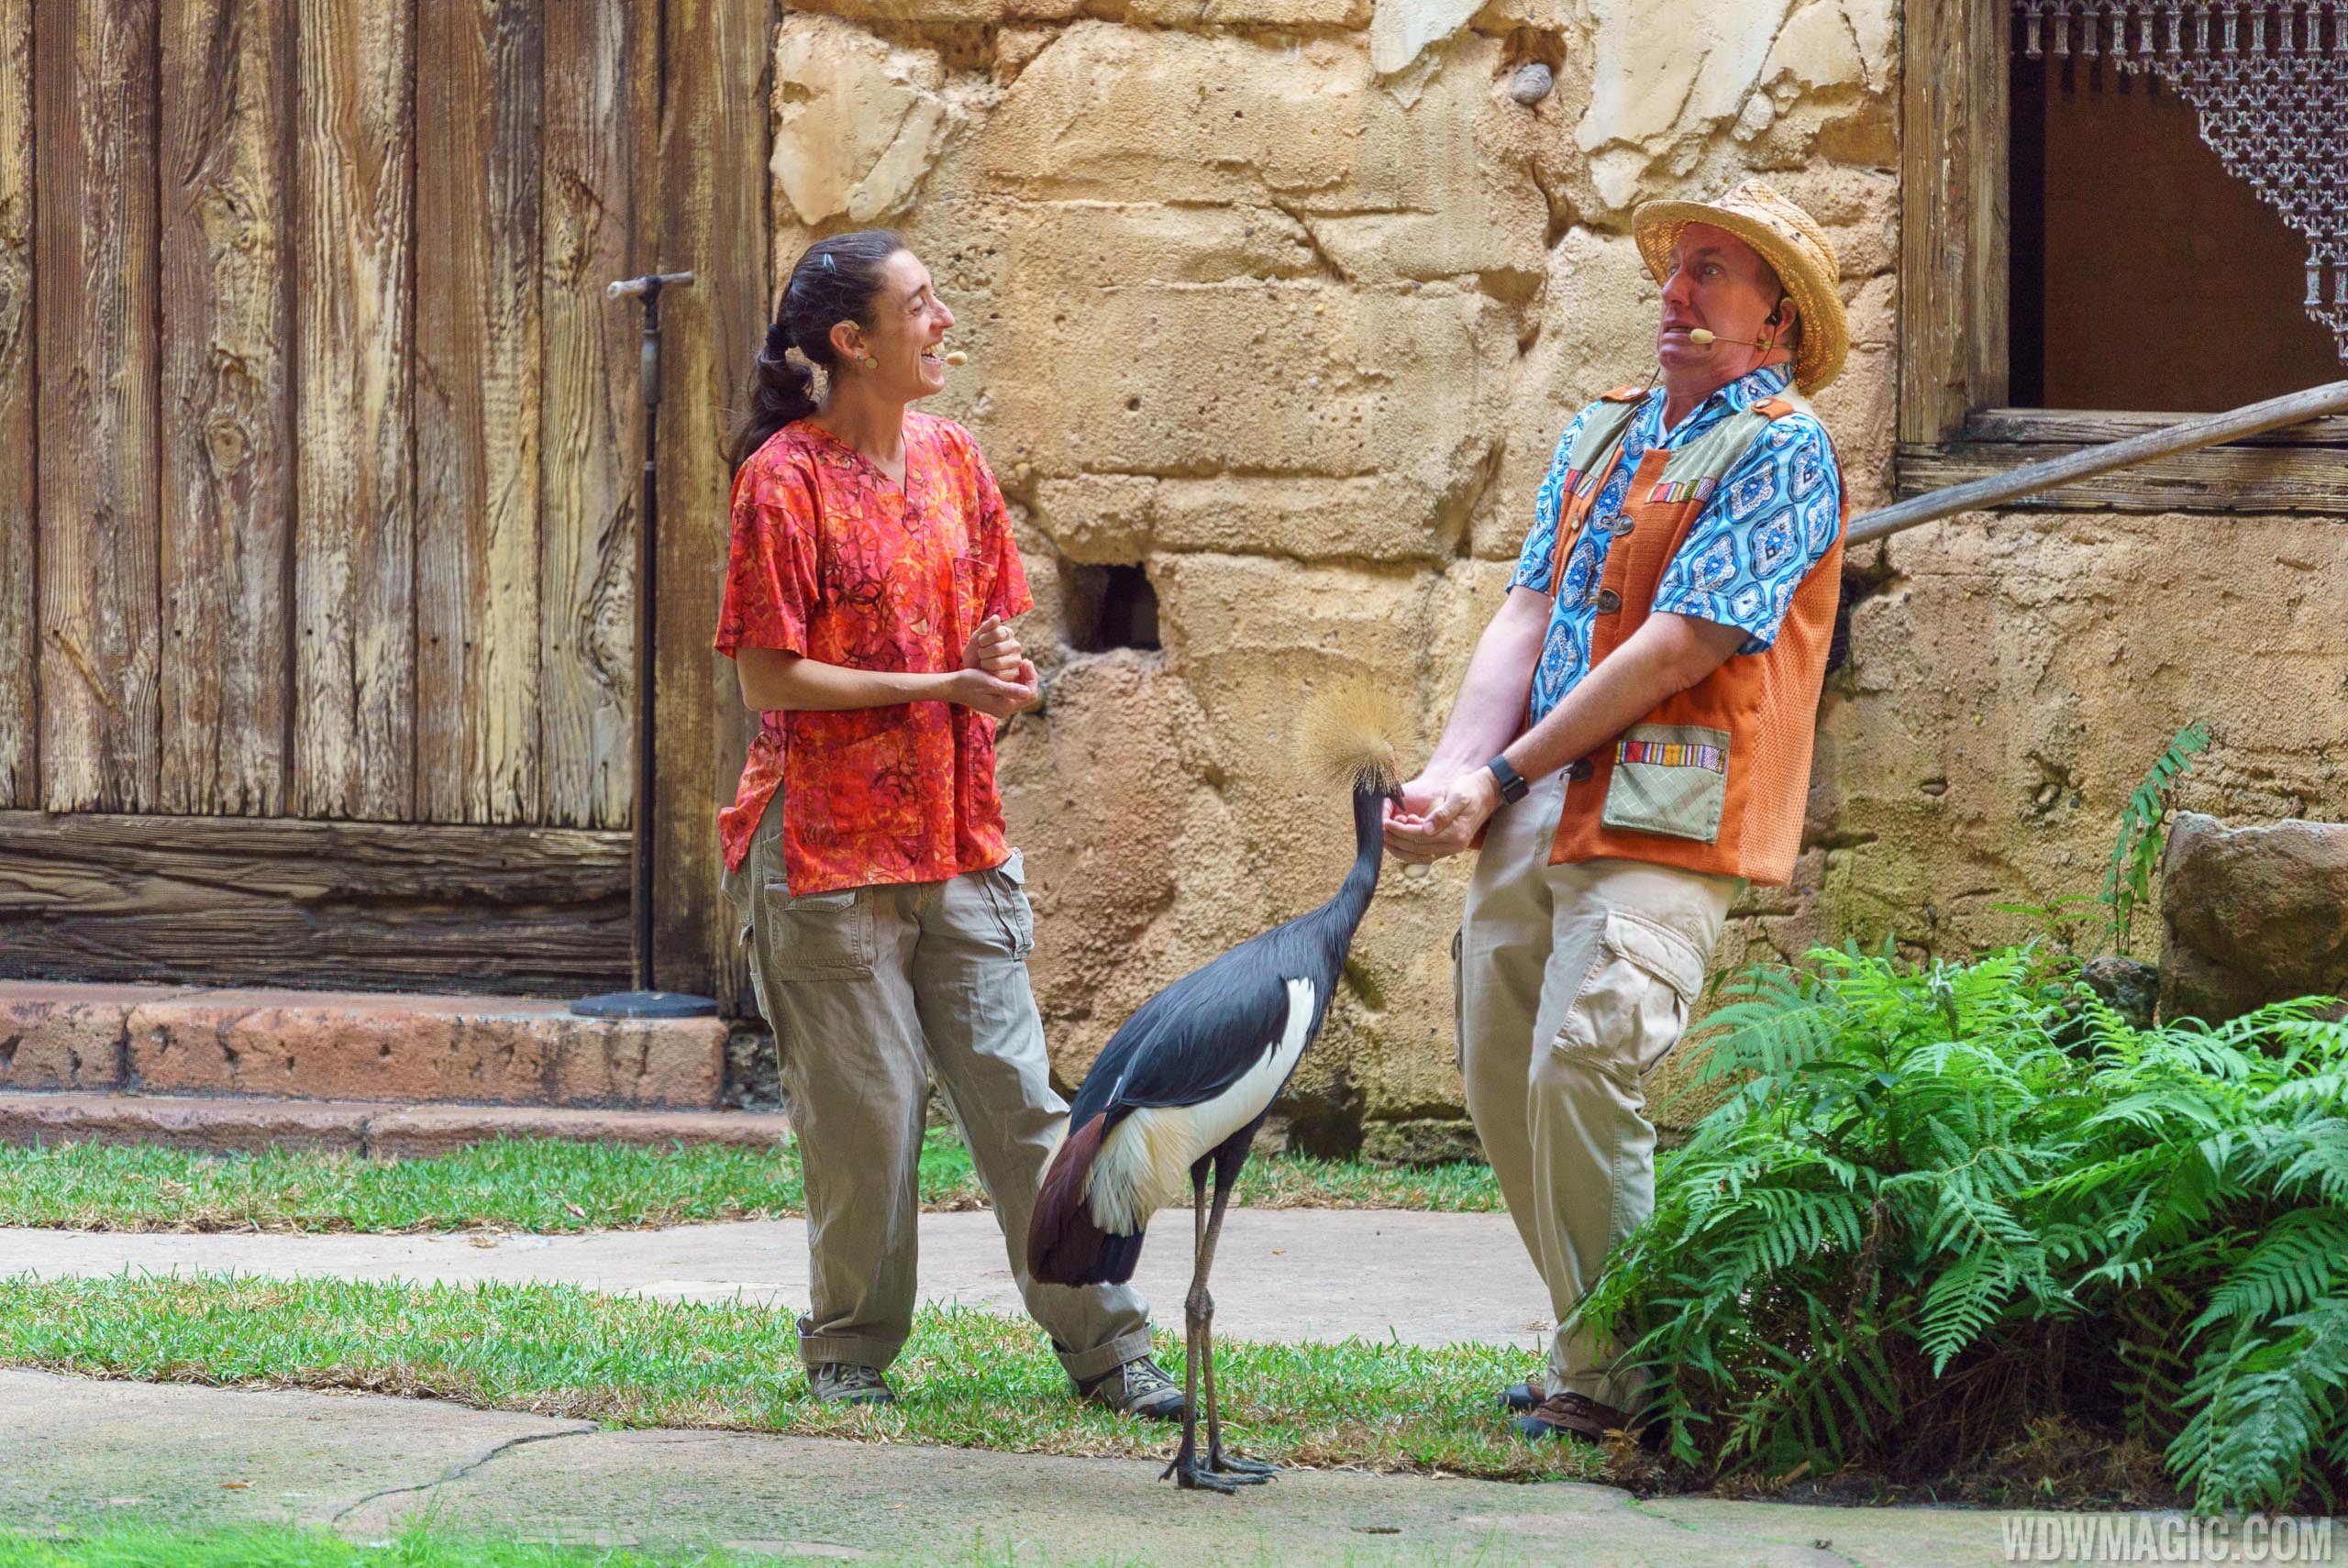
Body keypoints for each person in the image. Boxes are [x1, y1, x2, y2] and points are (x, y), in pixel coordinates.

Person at [1384, 181, 1851, 1443]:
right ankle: (1592, 1348)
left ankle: (1629, 1376)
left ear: (1781, 321)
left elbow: (1675, 644)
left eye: (1715, 271)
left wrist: (1507, 772)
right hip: (1539, 783)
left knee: (1585, 1056)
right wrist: (1452, 767)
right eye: (1675, 268)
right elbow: (1530, 609)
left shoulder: (1784, 447)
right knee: (1500, 1070)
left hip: (1663, 804)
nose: (1678, 292)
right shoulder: (1600, 434)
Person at [715, 229, 1183, 1418]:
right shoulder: (784, 480)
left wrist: (995, 664)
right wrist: (941, 688)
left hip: (960, 839)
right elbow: (770, 679)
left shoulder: (957, 461)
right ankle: (850, 1353)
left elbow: (990, 638)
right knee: (865, 1122)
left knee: (1027, 1106)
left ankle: (1110, 1347)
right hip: (821, 858)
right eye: (919, 306)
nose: (944, 323)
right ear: (849, 341)